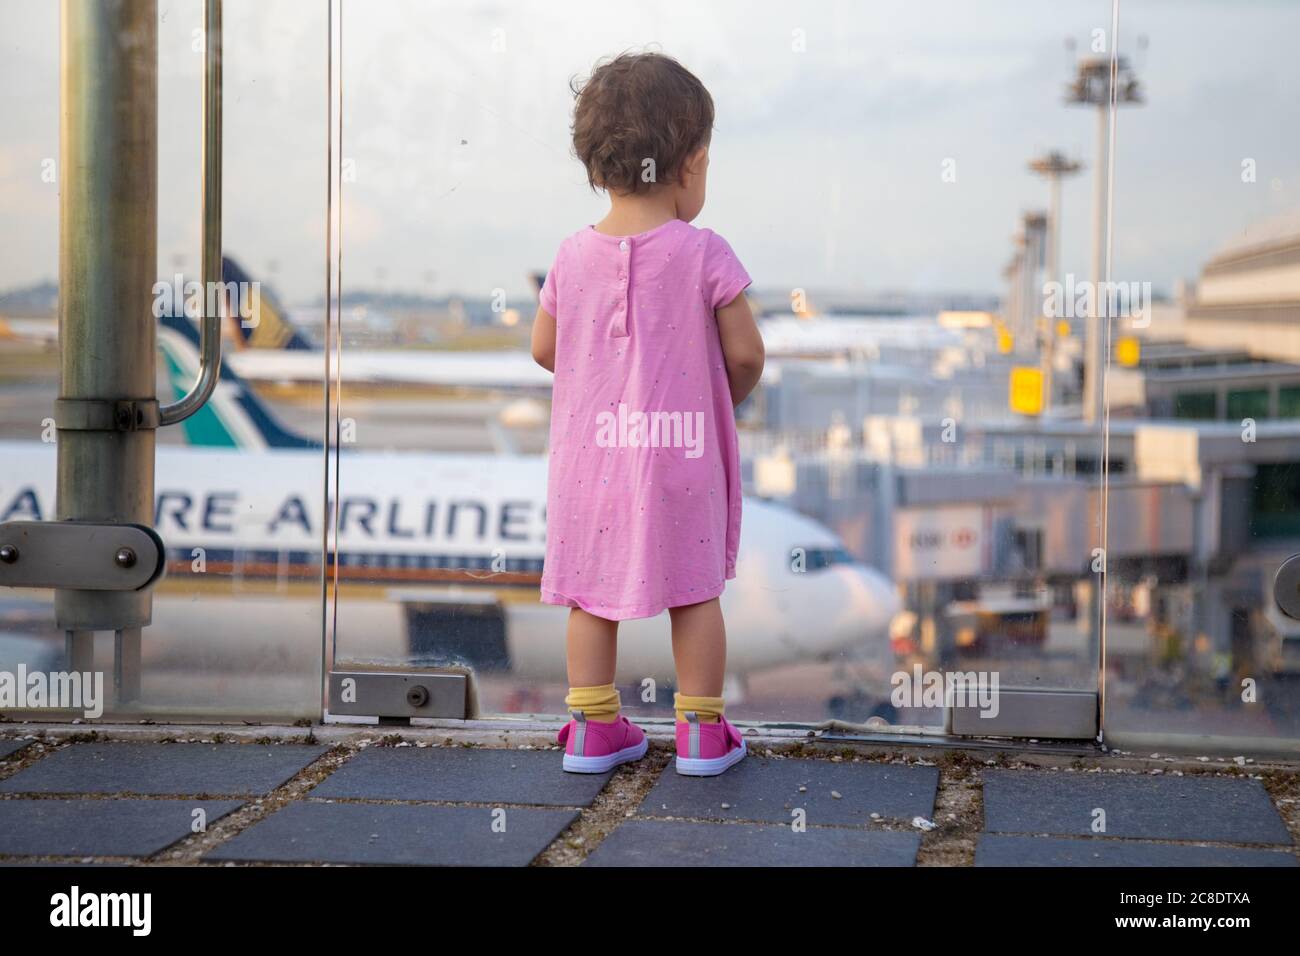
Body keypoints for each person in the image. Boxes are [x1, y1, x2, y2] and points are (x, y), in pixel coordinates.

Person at [530, 51, 764, 776]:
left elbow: (546, 349)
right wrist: (715, 395)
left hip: (592, 460)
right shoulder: (705, 253)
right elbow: (748, 355)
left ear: (596, 167)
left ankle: (595, 729)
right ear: (690, 165)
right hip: (682, 455)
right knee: (694, 593)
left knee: (587, 595)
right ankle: (700, 733)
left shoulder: (571, 256)